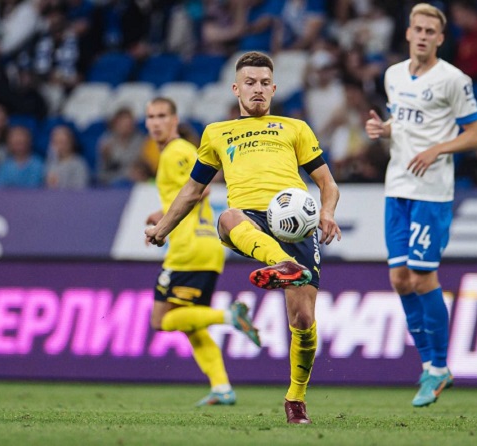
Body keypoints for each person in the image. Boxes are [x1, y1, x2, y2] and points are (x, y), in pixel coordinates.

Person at [145, 52, 341, 424]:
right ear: (236, 89)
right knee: (227, 217)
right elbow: (192, 190)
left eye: (265, 83)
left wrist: (327, 212)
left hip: (296, 222)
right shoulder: (216, 133)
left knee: (302, 320)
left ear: (274, 88)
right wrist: (162, 229)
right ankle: (282, 263)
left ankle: (295, 398)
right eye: (250, 83)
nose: (258, 89)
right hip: (250, 219)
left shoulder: (295, 128)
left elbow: (327, 183)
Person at [364, 3, 477, 408]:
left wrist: (438, 149)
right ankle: (429, 365)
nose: (422, 36)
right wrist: (384, 129)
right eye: (417, 29)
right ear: (408, 33)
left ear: (440, 38)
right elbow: (404, 121)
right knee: (399, 279)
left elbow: (475, 134)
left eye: (430, 31)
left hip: (431, 192)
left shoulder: (454, 80)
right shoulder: (393, 75)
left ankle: (439, 366)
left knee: (421, 277)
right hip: (396, 186)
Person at [144, 96, 261, 407]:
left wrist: (164, 224)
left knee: (161, 320)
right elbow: (186, 194)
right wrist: (162, 213)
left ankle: (230, 316)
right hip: (206, 246)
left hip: (188, 247)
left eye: (162, 116)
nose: (155, 122)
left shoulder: (176, 151)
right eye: (151, 117)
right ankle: (222, 388)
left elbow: (201, 188)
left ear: (174, 119)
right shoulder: (177, 151)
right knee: (191, 324)